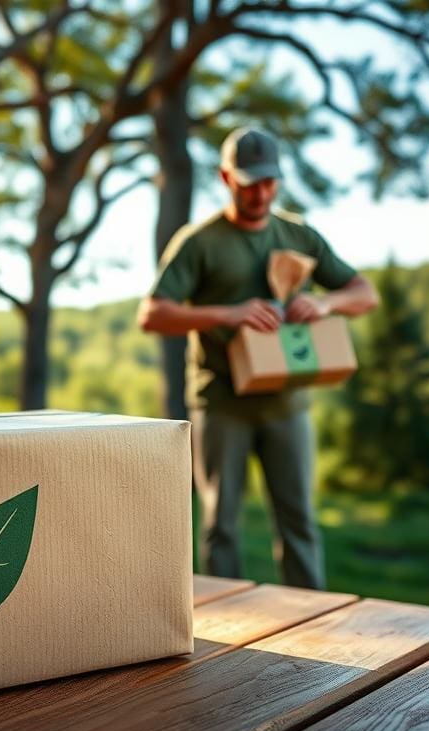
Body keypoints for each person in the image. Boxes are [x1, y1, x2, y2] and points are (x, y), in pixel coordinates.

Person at [138, 127, 379, 588]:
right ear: (226, 177)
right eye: (249, 183)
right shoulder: (201, 242)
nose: (261, 193)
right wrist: (230, 313)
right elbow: (152, 314)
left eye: (269, 182)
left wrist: (326, 304)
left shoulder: (299, 235)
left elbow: (364, 293)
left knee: (300, 523)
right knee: (220, 526)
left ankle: (312, 622)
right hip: (220, 403)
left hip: (288, 404)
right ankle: (229, 630)